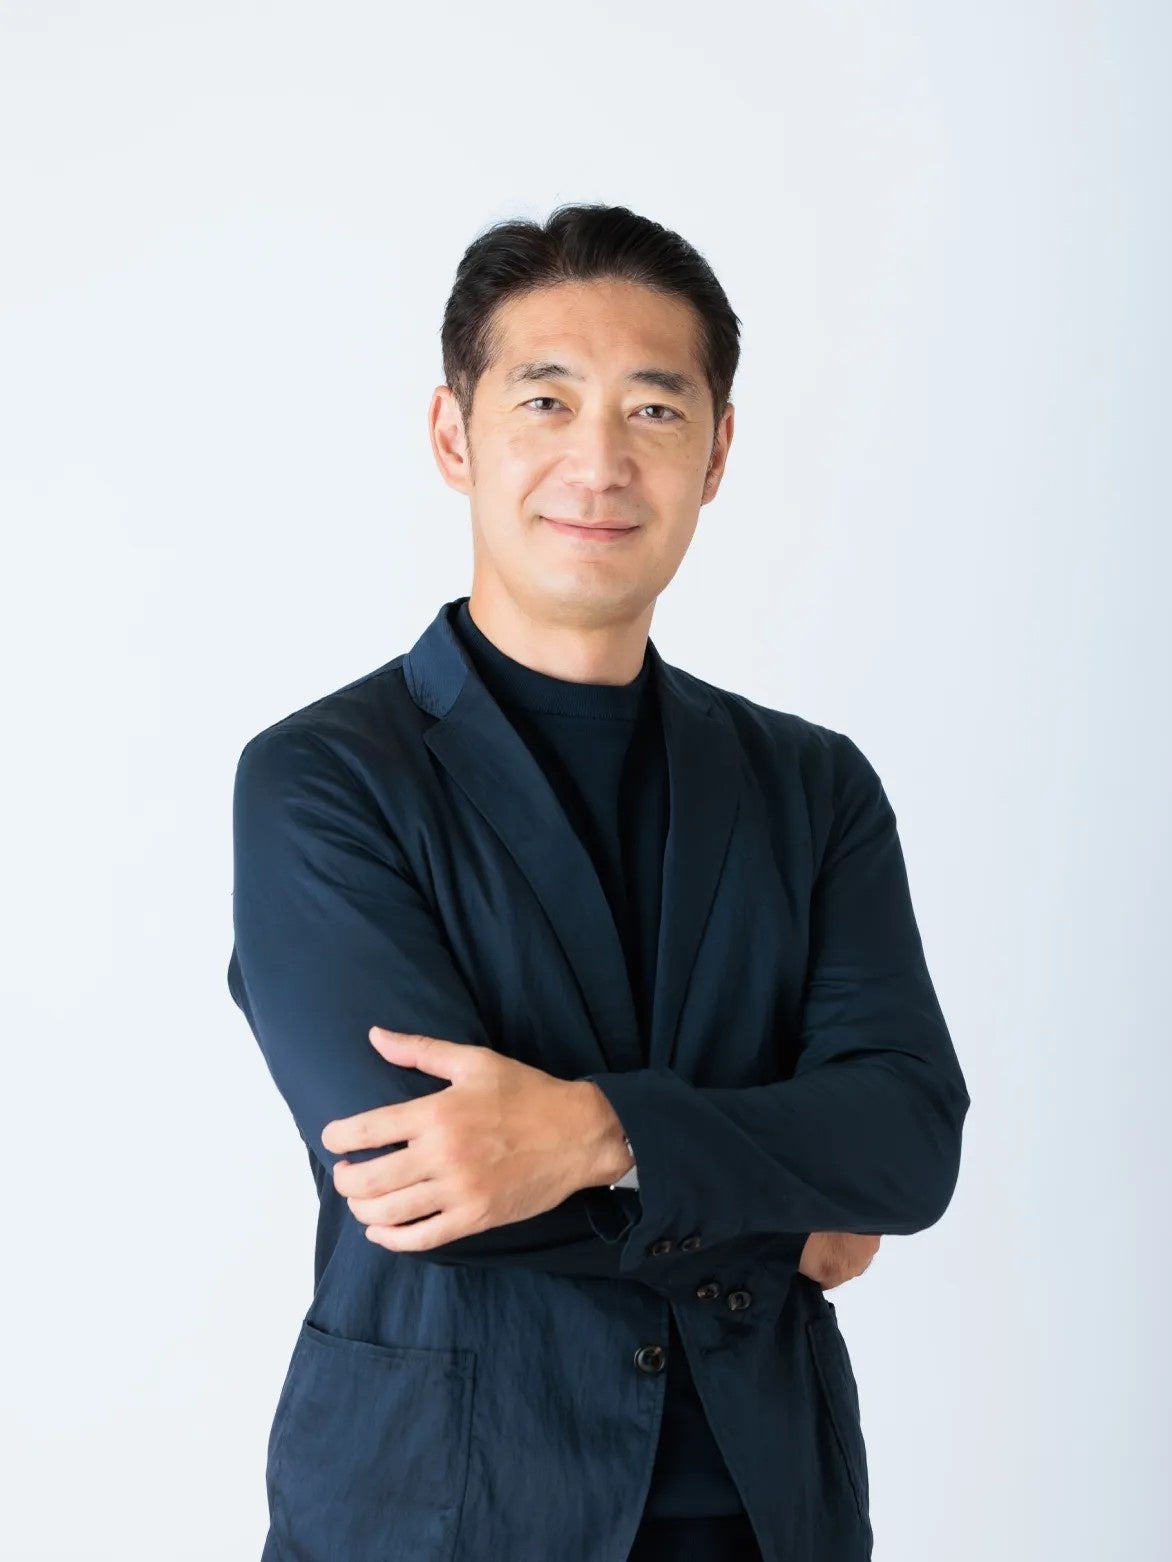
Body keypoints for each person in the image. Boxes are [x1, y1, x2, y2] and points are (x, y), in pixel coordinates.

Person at [227, 202, 970, 1562]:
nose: (600, 460)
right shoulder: (325, 778)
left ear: (717, 451)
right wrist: (781, 1200)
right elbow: (424, 1177)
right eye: (547, 400)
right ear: (454, 435)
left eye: (655, 409)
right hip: (439, 1512)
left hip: (768, 1508)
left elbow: (910, 1138)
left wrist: (591, 1134)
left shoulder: (814, 787)